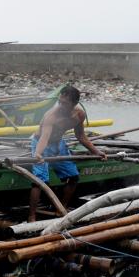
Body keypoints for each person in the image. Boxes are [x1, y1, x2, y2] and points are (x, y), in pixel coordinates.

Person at [28, 85, 107, 222]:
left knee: (74, 177)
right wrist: (38, 154)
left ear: (74, 104)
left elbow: (81, 136)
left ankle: (61, 208)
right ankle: (31, 215)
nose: (60, 105)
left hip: (59, 144)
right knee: (39, 181)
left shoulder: (79, 114)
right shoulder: (51, 116)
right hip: (41, 143)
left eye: (65, 103)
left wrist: (97, 152)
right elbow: (44, 137)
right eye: (60, 101)